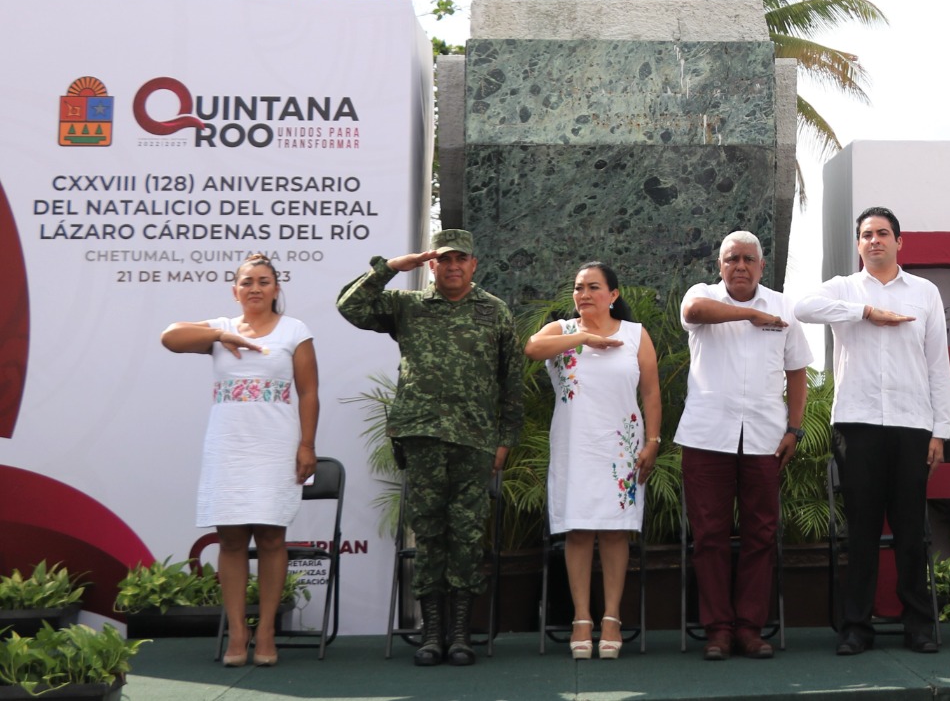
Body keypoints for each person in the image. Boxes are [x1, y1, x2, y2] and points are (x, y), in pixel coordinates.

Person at [336, 230, 522, 667]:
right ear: (431, 265)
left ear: (474, 264)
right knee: (430, 533)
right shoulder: (409, 306)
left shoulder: (494, 312)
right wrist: (391, 268)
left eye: (461, 259)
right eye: (443, 259)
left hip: (474, 440)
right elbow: (350, 306)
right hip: (421, 436)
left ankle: (460, 633)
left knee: (467, 534)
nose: (453, 266)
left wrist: (506, 439)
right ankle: (431, 631)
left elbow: (510, 381)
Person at [794, 206, 950, 655]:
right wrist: (865, 311)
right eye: (866, 235)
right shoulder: (844, 289)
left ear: (900, 242)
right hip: (857, 423)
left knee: (910, 531)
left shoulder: (924, 293)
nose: (875, 241)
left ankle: (918, 626)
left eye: (883, 233)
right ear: (859, 244)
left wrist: (939, 430)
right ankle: (856, 628)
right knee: (860, 531)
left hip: (911, 424)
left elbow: (937, 365)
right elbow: (803, 307)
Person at [161, 254, 318, 668]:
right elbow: (169, 337)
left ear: (276, 289)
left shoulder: (295, 330)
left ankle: (266, 630)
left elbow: (309, 393)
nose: (255, 288)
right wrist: (220, 334)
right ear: (235, 290)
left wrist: (307, 445)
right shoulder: (220, 330)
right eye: (247, 281)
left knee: (270, 539)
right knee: (231, 540)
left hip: (276, 446)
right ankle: (237, 630)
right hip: (228, 446)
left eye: (264, 281)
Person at [676, 231, 813, 660]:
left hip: (764, 436)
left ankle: (750, 628)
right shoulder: (702, 295)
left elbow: (796, 371)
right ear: (720, 265)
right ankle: (718, 629)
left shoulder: (784, 306)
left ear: (761, 264)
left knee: (761, 534)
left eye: (748, 259)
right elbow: (693, 311)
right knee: (710, 536)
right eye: (731, 258)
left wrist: (795, 428)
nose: (740, 266)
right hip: (706, 435)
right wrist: (749, 316)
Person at [526, 263, 663, 660]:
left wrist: (653, 441)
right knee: (579, 531)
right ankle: (582, 619)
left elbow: (651, 393)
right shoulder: (562, 331)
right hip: (575, 444)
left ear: (613, 294)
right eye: (578, 288)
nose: (584, 294)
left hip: (620, 446)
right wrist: (584, 336)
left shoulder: (636, 335)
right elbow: (532, 349)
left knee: (616, 531)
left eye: (593, 287)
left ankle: (612, 618)